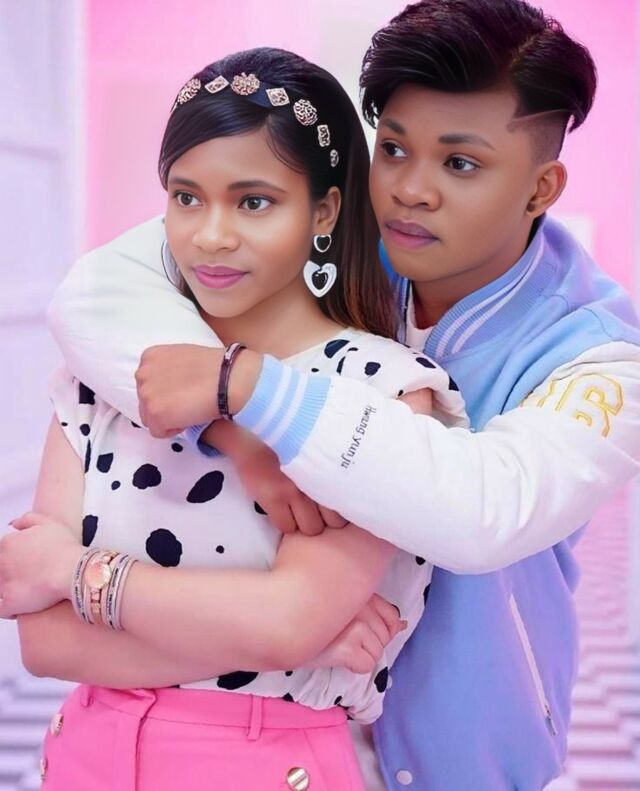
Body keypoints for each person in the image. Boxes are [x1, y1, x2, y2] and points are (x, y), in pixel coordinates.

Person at [16, 0, 640, 788]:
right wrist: (236, 430)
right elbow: (95, 290)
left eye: (460, 163)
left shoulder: (600, 357)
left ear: (541, 187)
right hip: (297, 737)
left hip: (463, 754)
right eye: (395, 148)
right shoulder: (313, 243)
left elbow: (482, 511)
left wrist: (249, 390)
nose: (411, 190)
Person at [0, 46, 467, 790]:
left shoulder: (376, 391)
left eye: (253, 202)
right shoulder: (109, 371)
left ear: (324, 210)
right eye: (187, 198)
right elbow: (45, 643)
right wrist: (289, 643)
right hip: (85, 759)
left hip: (265, 766)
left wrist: (71, 570)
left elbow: (286, 621)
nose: (211, 235)